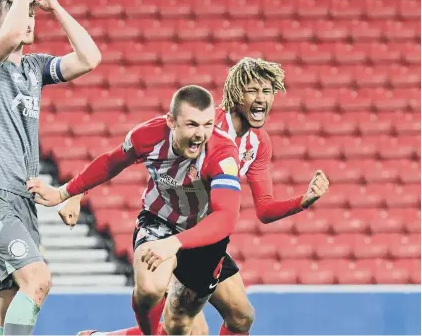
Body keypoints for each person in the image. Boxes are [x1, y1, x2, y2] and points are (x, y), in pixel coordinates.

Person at [59, 58, 331, 336]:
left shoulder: (258, 144)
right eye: (253, 90)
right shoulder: (204, 124)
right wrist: (78, 193)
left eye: (267, 91)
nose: (260, 98)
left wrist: (302, 201)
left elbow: (264, 209)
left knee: (241, 318)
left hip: (204, 236)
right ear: (237, 93)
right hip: (164, 224)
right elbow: (127, 154)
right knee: (183, 326)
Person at [28, 85, 245, 335]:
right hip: (158, 222)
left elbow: (226, 217)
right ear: (171, 121)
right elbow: (110, 163)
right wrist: (65, 192)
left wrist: (175, 243)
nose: (201, 134)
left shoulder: (223, 153)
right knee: (151, 292)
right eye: (192, 125)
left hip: (201, 237)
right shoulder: (148, 136)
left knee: (238, 318)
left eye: (208, 124)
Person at [0, 0, 101, 334]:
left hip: (22, 200)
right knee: (37, 279)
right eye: (20, 14)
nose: (29, 20)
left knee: (10, 305)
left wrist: (56, 9)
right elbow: (6, 41)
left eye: (32, 14)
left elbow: (89, 58)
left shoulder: (34, 68)